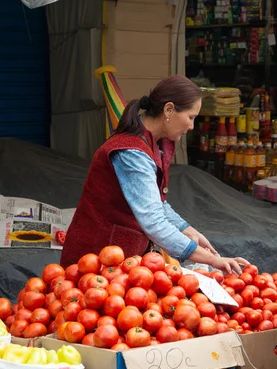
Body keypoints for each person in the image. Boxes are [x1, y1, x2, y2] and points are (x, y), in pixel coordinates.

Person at [61, 75, 249, 274]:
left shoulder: (153, 143)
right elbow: (154, 222)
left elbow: (156, 203)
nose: (191, 126)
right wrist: (211, 260)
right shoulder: (132, 153)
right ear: (169, 110)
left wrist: (187, 229)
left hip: (118, 264)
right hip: (94, 263)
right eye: (191, 117)